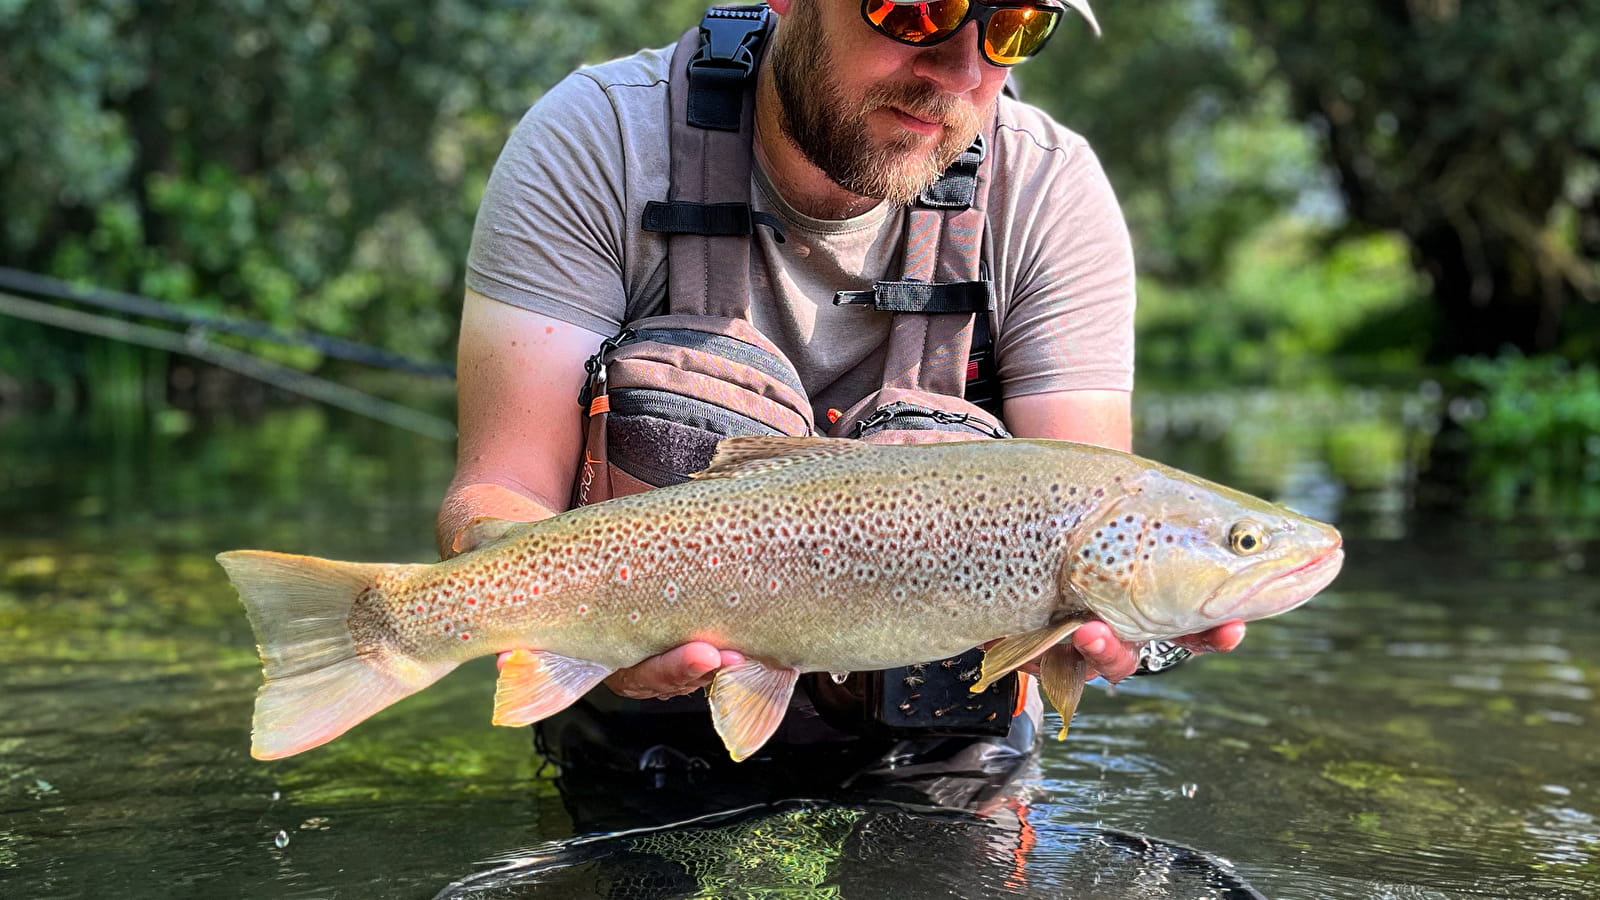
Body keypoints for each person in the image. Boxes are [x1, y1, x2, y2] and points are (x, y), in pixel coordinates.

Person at [434, 0, 1245, 789]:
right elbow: (500, 494)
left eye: (1011, 28)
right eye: (919, 12)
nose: (961, 71)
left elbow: (1094, 499)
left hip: (940, 752)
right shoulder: (601, 139)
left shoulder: (1048, 190)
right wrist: (528, 617)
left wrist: (1148, 630)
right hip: (636, 735)